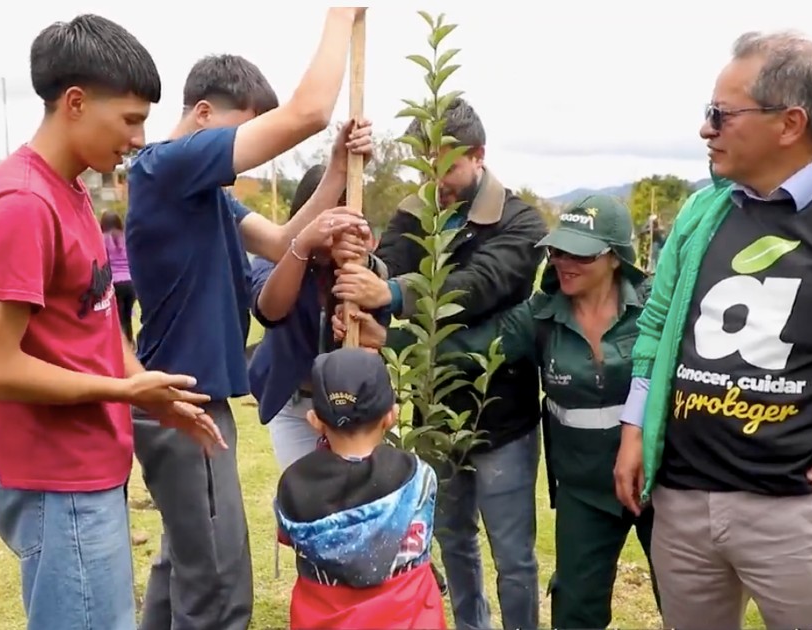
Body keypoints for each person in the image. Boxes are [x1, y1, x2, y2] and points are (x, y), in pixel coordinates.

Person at [611, 31, 812, 630]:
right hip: (683, 504)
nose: (706, 129)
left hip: (804, 514)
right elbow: (656, 325)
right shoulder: (705, 209)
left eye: (721, 114)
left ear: (790, 123)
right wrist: (633, 425)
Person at [0, 15, 223, 630]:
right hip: (58, 479)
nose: (138, 138)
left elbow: (96, 322)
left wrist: (150, 393)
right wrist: (124, 391)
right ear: (75, 103)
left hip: (88, 468)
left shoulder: (71, 190)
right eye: (130, 119)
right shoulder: (22, 204)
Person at [123, 10, 371, 629]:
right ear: (204, 115)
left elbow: (283, 237)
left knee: (183, 565)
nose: (253, 151)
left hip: (188, 400)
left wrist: (336, 169)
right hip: (184, 404)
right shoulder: (165, 167)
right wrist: (342, 16)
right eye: (246, 131)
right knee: (220, 586)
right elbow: (308, 113)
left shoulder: (204, 193)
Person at [346, 195, 661, 629]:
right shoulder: (541, 315)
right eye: (557, 250)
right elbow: (470, 349)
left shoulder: (655, 308)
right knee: (576, 609)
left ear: (613, 256)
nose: (563, 261)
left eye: (579, 253)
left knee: (683, 599)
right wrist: (387, 342)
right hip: (583, 491)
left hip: (658, 482)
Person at [332, 96, 549, 630]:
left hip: (503, 420)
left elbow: (477, 287)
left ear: (478, 155)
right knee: (453, 542)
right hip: (434, 417)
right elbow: (396, 265)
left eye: (446, 165)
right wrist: (367, 265)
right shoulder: (415, 211)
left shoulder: (520, 223)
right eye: (424, 164)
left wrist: (389, 292)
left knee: (514, 558)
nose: (435, 179)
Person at [276, 348, 446, 629]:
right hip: (410, 619)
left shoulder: (294, 484)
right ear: (391, 415)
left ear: (315, 420)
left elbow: (286, 535)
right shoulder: (419, 476)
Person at [249, 163, 384, 470]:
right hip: (295, 401)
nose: (334, 230)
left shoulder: (365, 269)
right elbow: (270, 310)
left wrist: (359, 268)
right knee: (306, 495)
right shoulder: (273, 260)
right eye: (326, 218)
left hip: (353, 402)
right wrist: (303, 246)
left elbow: (380, 324)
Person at [100, 210, 135, 340]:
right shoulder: (126, 238)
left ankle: (120, 347)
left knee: (117, 319)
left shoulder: (102, 239)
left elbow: (102, 262)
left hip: (115, 284)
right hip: (130, 282)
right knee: (128, 317)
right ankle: (131, 344)